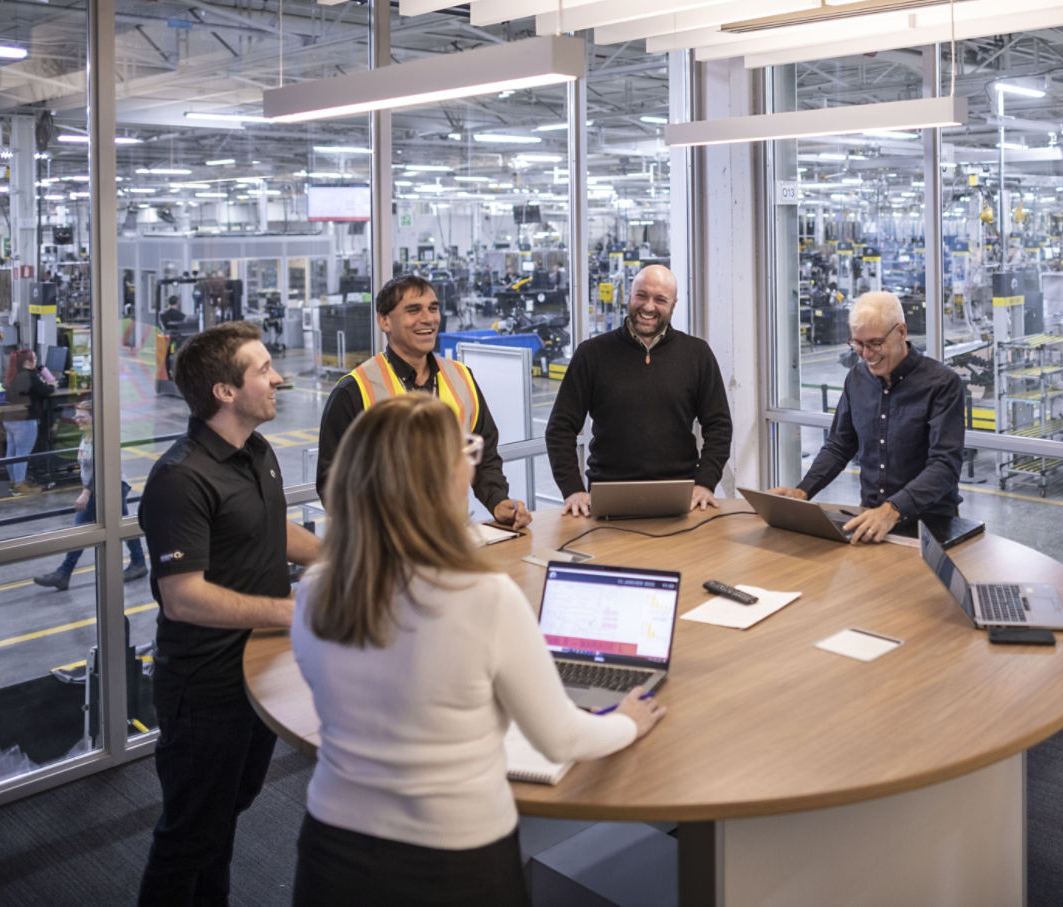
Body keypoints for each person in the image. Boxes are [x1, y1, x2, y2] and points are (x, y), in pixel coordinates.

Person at [290, 394, 665, 905]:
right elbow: (560, 738)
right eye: (464, 452)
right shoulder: (479, 597)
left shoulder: (316, 588)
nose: (471, 464)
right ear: (436, 480)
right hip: (453, 859)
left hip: (332, 846)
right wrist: (627, 721)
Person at [136, 321, 323, 905]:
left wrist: (350, 556)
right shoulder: (181, 478)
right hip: (205, 684)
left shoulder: (256, 450)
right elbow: (184, 596)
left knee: (226, 814)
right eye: (264, 369)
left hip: (258, 670)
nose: (279, 378)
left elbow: (269, 528)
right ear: (224, 391)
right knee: (189, 833)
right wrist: (290, 612)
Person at [316, 274, 530, 528]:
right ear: (384, 321)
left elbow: (483, 453)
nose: (428, 318)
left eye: (433, 308)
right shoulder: (354, 391)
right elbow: (333, 484)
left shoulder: (461, 377)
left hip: (452, 537)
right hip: (388, 547)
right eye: (413, 310)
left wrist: (497, 500)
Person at [769, 290, 964, 543]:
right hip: (872, 521)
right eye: (858, 344)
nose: (866, 354)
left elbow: (945, 465)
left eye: (875, 343)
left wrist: (892, 509)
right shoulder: (856, 379)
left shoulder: (942, 383)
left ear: (901, 332)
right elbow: (839, 446)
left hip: (931, 526)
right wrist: (803, 491)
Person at [545, 263, 732, 516]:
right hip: (608, 498)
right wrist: (573, 489)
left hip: (680, 497)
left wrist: (705, 483)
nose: (648, 306)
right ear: (629, 296)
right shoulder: (592, 354)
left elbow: (719, 425)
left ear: (673, 304)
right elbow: (560, 428)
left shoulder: (697, 354)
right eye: (641, 295)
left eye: (660, 299)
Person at [33, 398, 148, 590]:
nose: (77, 420)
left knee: (90, 528)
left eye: (82, 417)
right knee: (114, 524)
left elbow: (101, 467)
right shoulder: (86, 436)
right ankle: (137, 562)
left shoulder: (102, 438)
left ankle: (64, 573)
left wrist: (86, 492)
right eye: (76, 416)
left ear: (95, 418)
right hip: (97, 488)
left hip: (111, 486)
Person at [3, 348, 54, 494]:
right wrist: (52, 384)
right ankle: (20, 485)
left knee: (12, 452)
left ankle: (14, 482)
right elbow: (46, 391)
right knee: (22, 453)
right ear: (28, 362)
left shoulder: (14, 375)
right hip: (24, 421)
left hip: (10, 419)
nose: (37, 361)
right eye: (35, 359)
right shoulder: (30, 377)